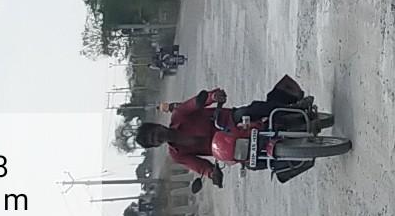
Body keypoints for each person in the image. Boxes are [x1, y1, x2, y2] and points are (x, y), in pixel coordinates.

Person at [133, 76, 316, 188]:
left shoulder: (179, 114)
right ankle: (298, 160)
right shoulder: (177, 154)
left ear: (157, 126)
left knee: (249, 110)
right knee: (254, 164)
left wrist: (212, 96)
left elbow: (195, 103)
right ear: (156, 145)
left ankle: (294, 107)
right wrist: (212, 174)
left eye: (154, 133)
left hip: (230, 122)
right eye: (153, 140)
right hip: (229, 146)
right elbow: (200, 166)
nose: (157, 137)